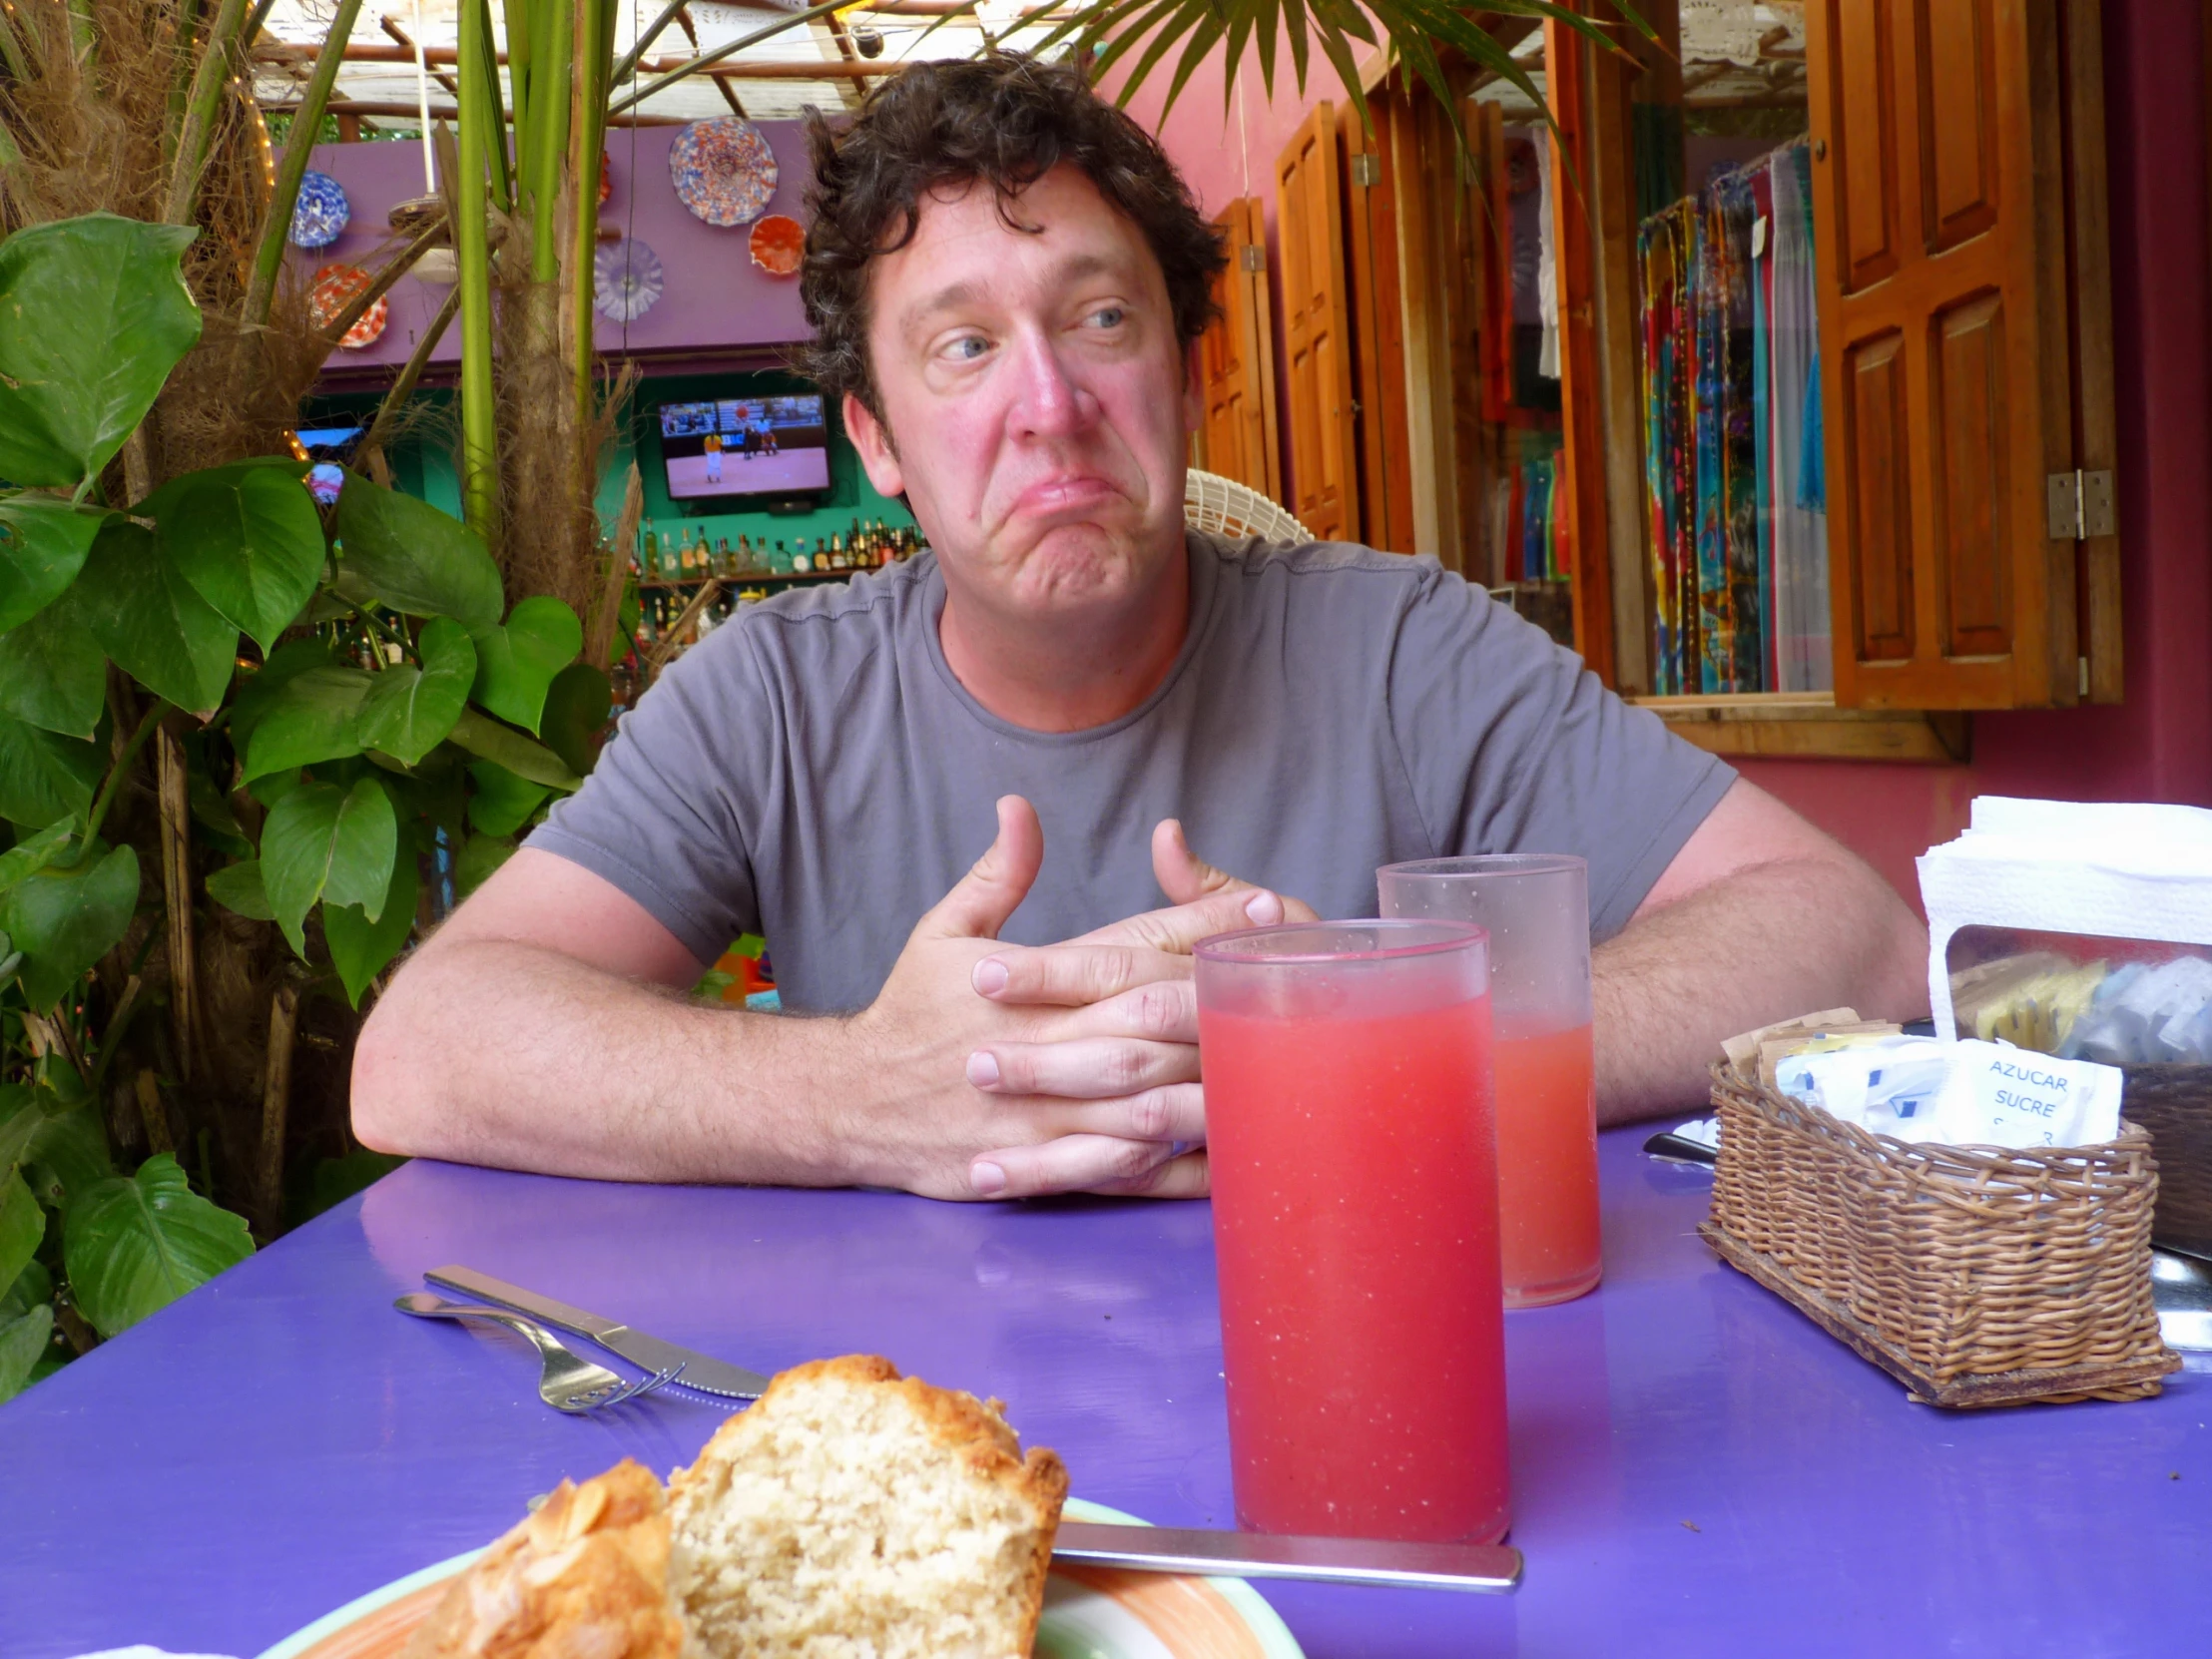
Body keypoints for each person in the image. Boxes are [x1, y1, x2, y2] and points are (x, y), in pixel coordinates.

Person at [352, 56, 1927, 1202]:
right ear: (880, 442)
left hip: (1375, 1363)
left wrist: (1400, 1052)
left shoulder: (1403, 649)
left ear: (1183, 366)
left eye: (1102, 318)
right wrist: (868, 1097)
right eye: (963, 348)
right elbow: (424, 1047)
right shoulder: (771, 696)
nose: (1050, 406)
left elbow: (1847, 927)